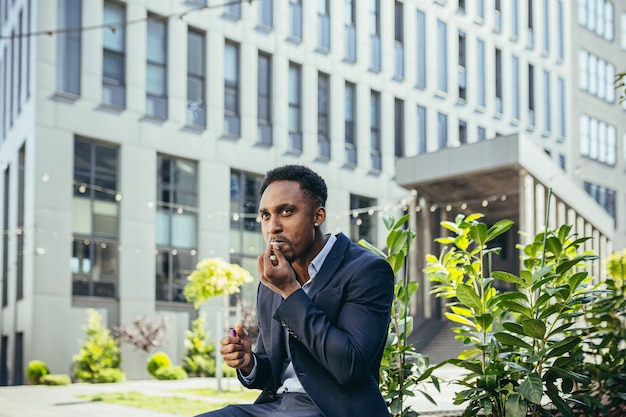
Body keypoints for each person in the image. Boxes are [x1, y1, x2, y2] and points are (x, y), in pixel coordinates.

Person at [196, 164, 394, 417]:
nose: (273, 227)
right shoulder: (271, 282)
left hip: (335, 411)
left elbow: (349, 365)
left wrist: (290, 291)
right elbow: (274, 368)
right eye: (265, 216)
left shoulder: (366, 270)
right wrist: (249, 364)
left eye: (286, 212)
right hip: (276, 408)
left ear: (317, 216)